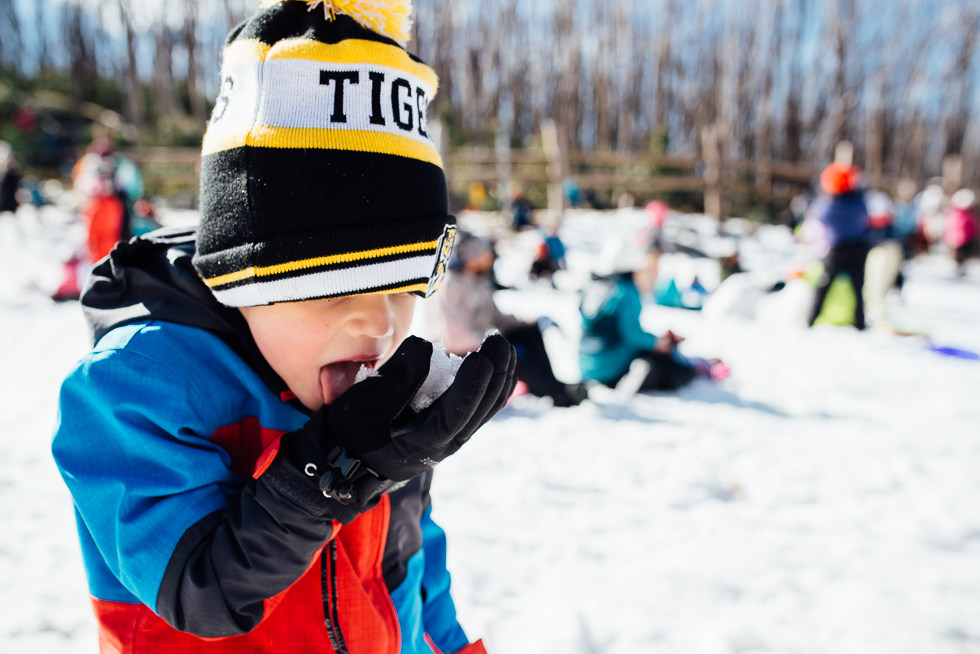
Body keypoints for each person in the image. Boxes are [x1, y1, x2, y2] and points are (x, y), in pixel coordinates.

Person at [52, 3, 514, 653]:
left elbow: (409, 565)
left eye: (406, 284)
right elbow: (203, 591)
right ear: (243, 279)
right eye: (333, 288)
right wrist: (332, 472)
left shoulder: (376, 396)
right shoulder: (138, 391)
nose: (380, 322)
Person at [426, 231, 588, 407]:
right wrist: (490, 344)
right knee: (513, 355)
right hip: (455, 351)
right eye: (485, 254)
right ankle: (557, 393)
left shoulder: (479, 280)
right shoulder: (450, 284)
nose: (490, 258)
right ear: (472, 257)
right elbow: (453, 332)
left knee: (529, 334)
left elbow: (496, 316)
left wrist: (525, 323)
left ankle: (552, 386)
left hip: (477, 343)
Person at [579, 240, 723, 394]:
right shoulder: (625, 291)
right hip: (610, 366)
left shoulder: (592, 286)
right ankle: (636, 376)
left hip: (585, 365)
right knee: (669, 368)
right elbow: (632, 334)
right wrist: (660, 343)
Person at [807, 162, 870, 330]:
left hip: (839, 248)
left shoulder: (829, 203)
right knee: (858, 287)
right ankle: (860, 323)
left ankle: (811, 319)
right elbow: (866, 218)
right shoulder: (859, 201)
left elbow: (819, 217)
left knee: (824, 285)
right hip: (859, 247)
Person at [72, 138, 145, 262]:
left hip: (116, 211)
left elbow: (134, 189)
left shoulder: (123, 165)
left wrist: (117, 190)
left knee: (115, 241)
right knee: (94, 243)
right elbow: (81, 186)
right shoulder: (88, 164)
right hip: (95, 210)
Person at [944, 188, 980, 274]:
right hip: (957, 238)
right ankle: (958, 266)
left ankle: (961, 266)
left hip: (965, 238)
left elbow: (973, 225)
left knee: (964, 253)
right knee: (959, 254)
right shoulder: (954, 213)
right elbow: (949, 225)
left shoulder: (968, 214)